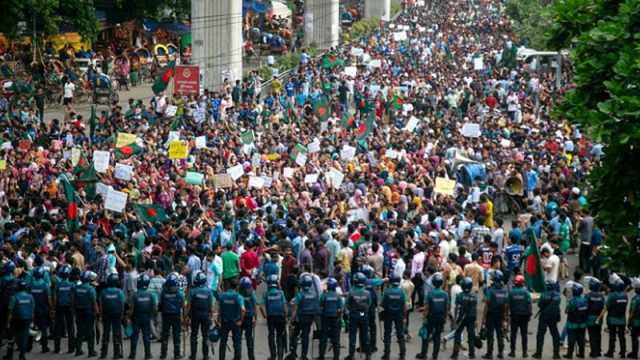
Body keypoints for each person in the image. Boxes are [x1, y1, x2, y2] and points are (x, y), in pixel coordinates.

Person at [417, 272, 448, 360]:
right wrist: (445, 319)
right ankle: (435, 356)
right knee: (437, 337)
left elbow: (427, 308)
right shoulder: (445, 294)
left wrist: (424, 318)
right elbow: (446, 308)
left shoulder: (430, 294)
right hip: (441, 318)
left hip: (431, 318)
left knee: (426, 336)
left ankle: (423, 354)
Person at [290, 273, 320, 360]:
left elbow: (295, 308)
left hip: (300, 318)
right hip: (310, 318)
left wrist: (292, 320)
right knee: (305, 336)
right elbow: (316, 307)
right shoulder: (314, 294)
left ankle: (293, 353)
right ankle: (304, 355)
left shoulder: (300, 294)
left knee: (295, 334)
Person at [128, 273, 157, 360]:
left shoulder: (134, 295)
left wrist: (129, 317)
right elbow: (154, 309)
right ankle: (147, 354)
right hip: (146, 318)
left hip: (136, 318)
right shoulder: (151, 295)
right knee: (146, 336)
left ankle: (132, 354)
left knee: (134, 336)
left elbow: (131, 309)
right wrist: (152, 317)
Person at [260, 274, 287, 360]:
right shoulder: (281, 293)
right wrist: (286, 316)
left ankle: (273, 355)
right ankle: (280, 356)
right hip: (281, 316)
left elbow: (261, 306)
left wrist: (265, 316)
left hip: (271, 317)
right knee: (280, 336)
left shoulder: (266, 293)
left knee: (271, 335)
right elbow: (285, 306)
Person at [217, 277, 245, 360]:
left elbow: (220, 309)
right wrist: (241, 321)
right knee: (236, 343)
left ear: (229, 286)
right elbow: (243, 310)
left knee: (223, 342)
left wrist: (218, 321)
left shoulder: (223, 296)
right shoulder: (238, 297)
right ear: (237, 287)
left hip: (225, 322)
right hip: (235, 323)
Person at [189, 271, 215, 360]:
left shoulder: (192, 291)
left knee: (193, 335)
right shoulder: (209, 291)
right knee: (206, 336)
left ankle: (193, 356)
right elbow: (211, 305)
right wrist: (211, 316)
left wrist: (186, 316)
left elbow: (188, 304)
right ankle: (206, 355)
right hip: (205, 316)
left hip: (195, 315)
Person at [346, 272, 371, 360]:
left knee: (352, 335)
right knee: (365, 335)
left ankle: (351, 355)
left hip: (354, 315)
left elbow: (347, 305)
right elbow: (369, 303)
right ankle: (368, 355)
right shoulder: (367, 293)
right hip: (364, 315)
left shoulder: (351, 293)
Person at [532, 280, 561, 359]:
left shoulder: (543, 295)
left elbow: (540, 305)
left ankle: (538, 353)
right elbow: (557, 306)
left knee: (540, 335)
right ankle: (556, 354)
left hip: (544, 316)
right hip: (553, 317)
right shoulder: (557, 296)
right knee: (555, 334)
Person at [99, 273, 125, 359]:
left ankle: (103, 354)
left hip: (106, 315)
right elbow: (122, 305)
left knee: (105, 334)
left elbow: (101, 305)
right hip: (117, 315)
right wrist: (122, 315)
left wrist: (101, 315)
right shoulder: (120, 292)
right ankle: (116, 354)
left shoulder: (103, 292)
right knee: (116, 334)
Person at [482, 270, 507, 359]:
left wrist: (483, 318)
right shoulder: (504, 290)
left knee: (490, 335)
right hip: (500, 315)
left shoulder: (490, 290)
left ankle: (489, 353)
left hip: (491, 315)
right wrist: (505, 318)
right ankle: (500, 353)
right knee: (500, 334)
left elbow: (487, 305)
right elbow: (505, 305)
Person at [159, 273, 184, 360]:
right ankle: (177, 355)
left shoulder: (163, 293)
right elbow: (182, 304)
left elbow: (160, 304)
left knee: (165, 335)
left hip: (165, 315)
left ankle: (163, 354)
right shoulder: (179, 293)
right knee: (176, 335)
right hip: (176, 316)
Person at [381, 273, 406, 360]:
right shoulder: (402, 292)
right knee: (400, 334)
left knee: (387, 334)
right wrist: (404, 317)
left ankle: (386, 355)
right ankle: (402, 354)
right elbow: (404, 305)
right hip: (399, 315)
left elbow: (383, 304)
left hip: (388, 315)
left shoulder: (387, 292)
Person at [6, 280, 33, 360]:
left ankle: (9, 355)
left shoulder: (14, 297)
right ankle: (22, 355)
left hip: (16, 320)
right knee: (24, 337)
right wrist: (32, 320)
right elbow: (32, 309)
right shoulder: (30, 297)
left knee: (11, 337)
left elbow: (10, 311)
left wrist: (8, 322)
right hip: (27, 319)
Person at [317, 277, 343, 360]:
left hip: (325, 318)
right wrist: (339, 319)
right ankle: (336, 357)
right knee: (336, 338)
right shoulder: (338, 296)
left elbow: (320, 307)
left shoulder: (324, 295)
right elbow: (340, 309)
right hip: (335, 318)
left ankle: (321, 356)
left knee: (323, 337)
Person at [73, 271, 98, 357]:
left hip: (78, 312)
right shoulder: (91, 289)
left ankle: (78, 350)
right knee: (90, 332)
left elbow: (73, 300)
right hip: (88, 312)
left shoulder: (76, 288)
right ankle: (91, 351)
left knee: (79, 331)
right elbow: (94, 302)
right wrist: (97, 312)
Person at [602, 276, 627, 358]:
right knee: (622, 336)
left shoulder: (612, 295)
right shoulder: (625, 296)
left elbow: (606, 307)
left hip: (612, 319)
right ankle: (623, 353)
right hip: (622, 320)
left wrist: (600, 317)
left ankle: (611, 352)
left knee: (612, 337)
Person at [452, 277, 477, 360]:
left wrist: (455, 320)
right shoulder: (474, 296)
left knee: (457, 334)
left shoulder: (460, 296)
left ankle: (455, 354)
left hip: (461, 318)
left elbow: (457, 308)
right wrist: (476, 320)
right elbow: (475, 308)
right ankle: (472, 353)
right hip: (471, 317)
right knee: (471, 335)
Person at [507, 275, 532, 358]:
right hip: (524, 316)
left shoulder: (511, 292)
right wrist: (529, 314)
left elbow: (508, 304)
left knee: (513, 334)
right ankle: (524, 352)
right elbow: (529, 304)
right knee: (524, 334)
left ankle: (512, 352)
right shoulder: (526, 292)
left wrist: (507, 315)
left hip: (514, 316)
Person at [53, 264, 75, 354]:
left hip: (59, 307)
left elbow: (55, 297)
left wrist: (54, 308)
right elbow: (73, 297)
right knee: (70, 328)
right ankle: (71, 349)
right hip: (69, 307)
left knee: (58, 327)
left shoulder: (58, 285)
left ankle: (57, 348)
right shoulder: (71, 285)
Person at [29, 266, 51, 352]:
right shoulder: (45, 285)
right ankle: (44, 347)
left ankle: (28, 346)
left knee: (32, 327)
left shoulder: (31, 285)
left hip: (33, 310)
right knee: (43, 328)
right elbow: (48, 298)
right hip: (43, 309)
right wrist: (51, 308)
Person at [564, 282, 587, 359]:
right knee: (581, 339)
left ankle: (569, 354)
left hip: (572, 324)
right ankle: (581, 354)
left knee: (571, 339)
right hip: (582, 324)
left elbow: (566, 311)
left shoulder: (572, 301)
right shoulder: (584, 300)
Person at [585, 277, 604, 358]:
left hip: (590, 318)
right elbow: (603, 307)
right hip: (599, 318)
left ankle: (594, 352)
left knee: (592, 335)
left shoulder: (587, 296)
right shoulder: (601, 296)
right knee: (598, 334)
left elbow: (585, 306)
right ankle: (598, 351)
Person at [239, 277, 257, 360]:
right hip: (249, 318)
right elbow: (255, 307)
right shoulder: (252, 293)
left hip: (240, 318)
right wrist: (255, 318)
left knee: (238, 339)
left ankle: (237, 356)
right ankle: (251, 357)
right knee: (249, 339)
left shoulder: (239, 294)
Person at [0, 262, 17, 350]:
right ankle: (10, 338)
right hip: (12, 304)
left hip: (3, 303)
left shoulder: (3, 279)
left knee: (2, 321)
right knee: (10, 322)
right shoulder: (14, 279)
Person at [629, 278, 640, 359]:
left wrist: (629, 321)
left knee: (634, 337)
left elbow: (632, 311)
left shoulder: (635, 298)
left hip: (636, 321)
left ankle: (634, 354)